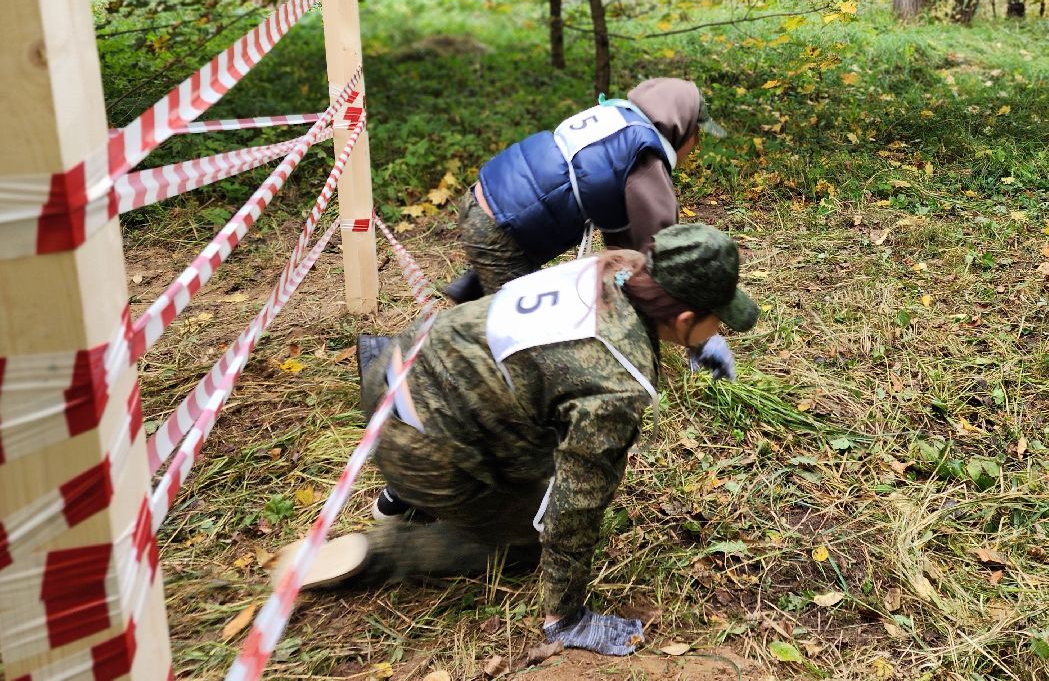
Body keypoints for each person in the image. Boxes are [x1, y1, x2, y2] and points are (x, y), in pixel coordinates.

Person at [271, 224, 758, 659]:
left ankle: (411, 494)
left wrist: (697, 341)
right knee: (528, 542)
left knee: (534, 433)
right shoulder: (618, 385)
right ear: (684, 315)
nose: (721, 329)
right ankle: (386, 551)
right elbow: (574, 506)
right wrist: (566, 617)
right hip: (422, 444)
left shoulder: (620, 267)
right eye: (717, 320)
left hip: (400, 367)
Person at [444, 78, 735, 380]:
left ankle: (475, 295)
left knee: (504, 300)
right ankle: (470, 379)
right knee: (525, 345)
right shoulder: (645, 158)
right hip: (501, 231)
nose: (696, 145)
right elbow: (661, 260)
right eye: (697, 135)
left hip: (484, 201)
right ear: (682, 127)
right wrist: (698, 335)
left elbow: (621, 240)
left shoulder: (617, 120)